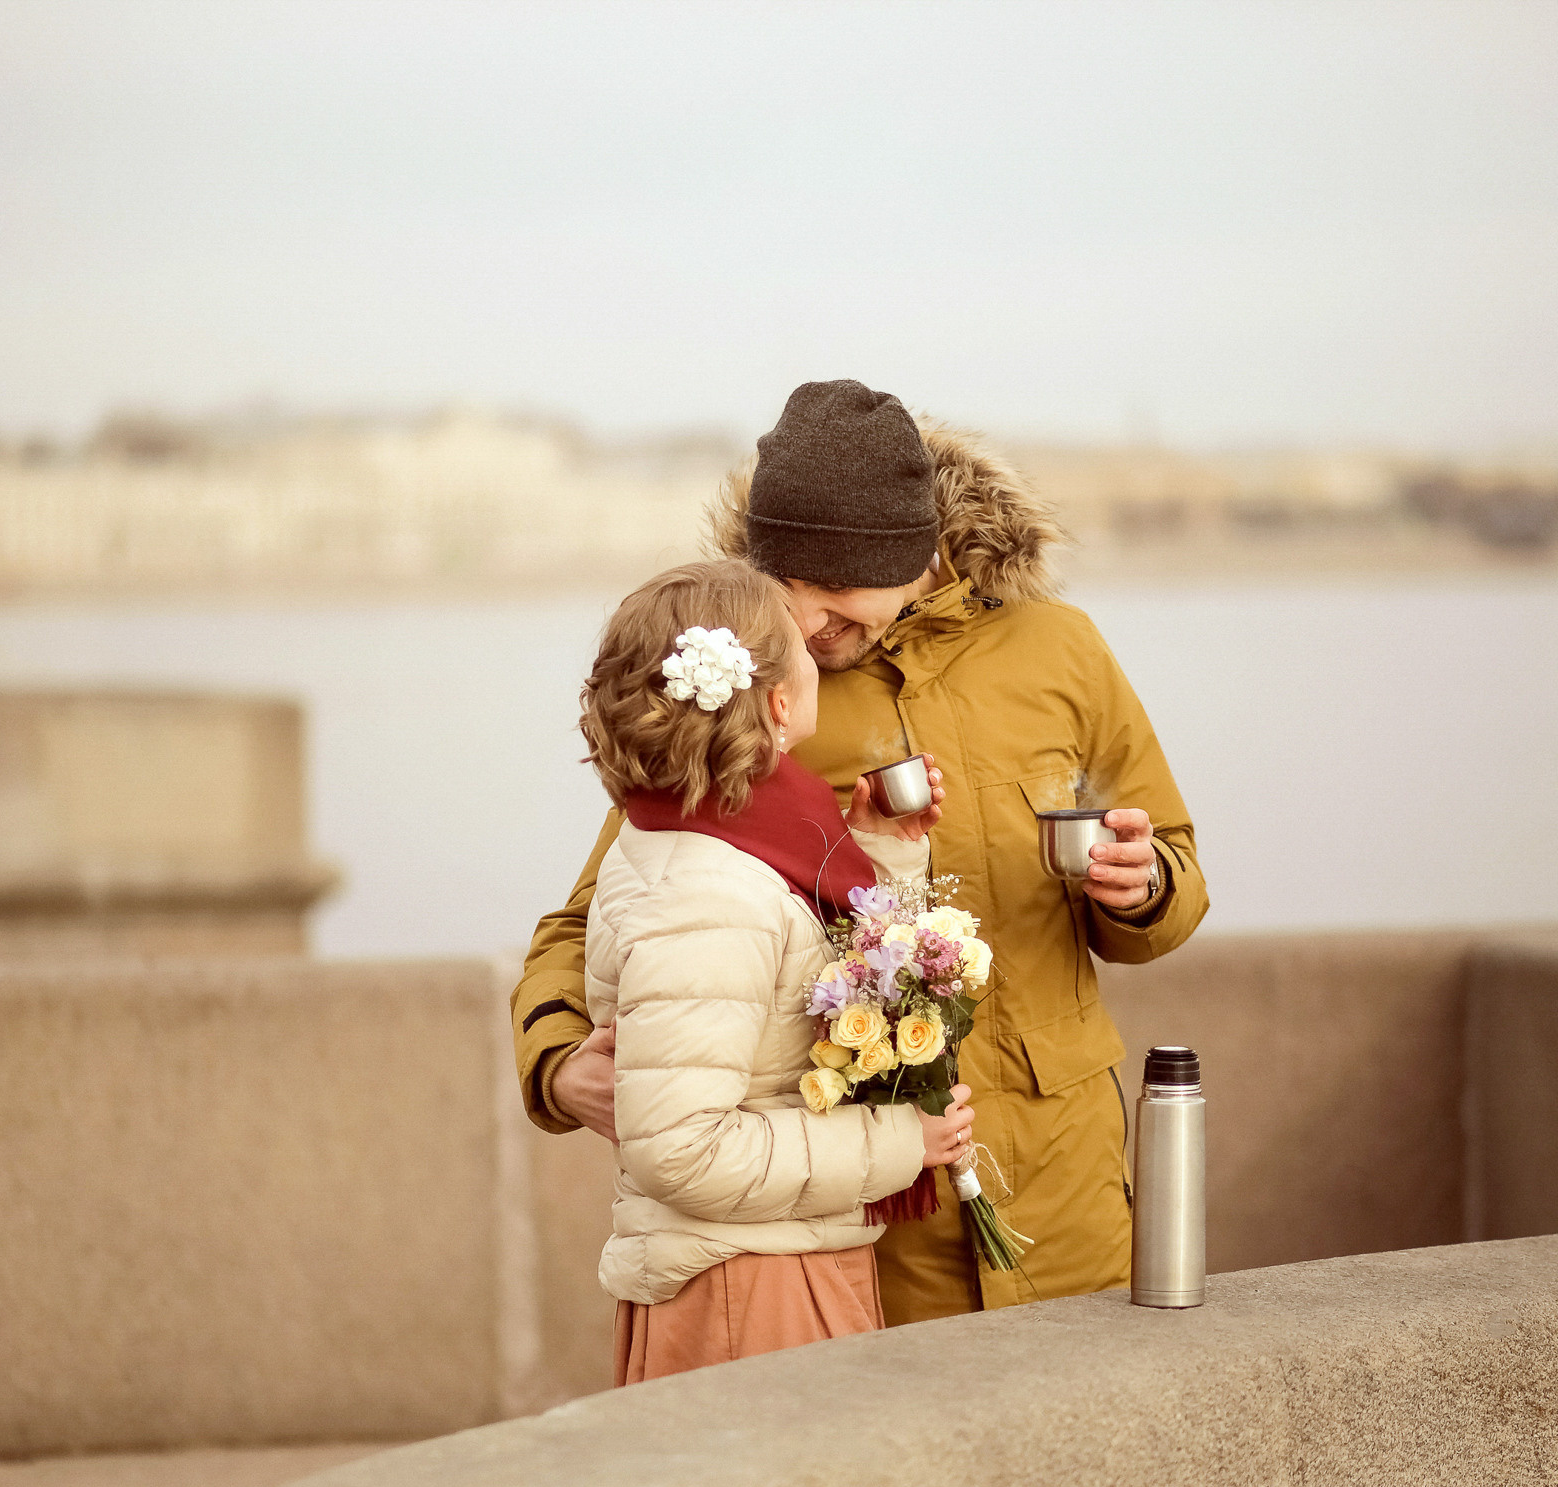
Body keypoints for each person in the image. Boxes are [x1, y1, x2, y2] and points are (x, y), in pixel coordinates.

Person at [517, 380, 1209, 1325]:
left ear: (911, 553)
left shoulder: (1064, 652)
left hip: (1068, 1179)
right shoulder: (752, 696)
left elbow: (1173, 872)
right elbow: (601, 909)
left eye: (834, 598)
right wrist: (559, 1065)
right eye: (787, 595)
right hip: (871, 1219)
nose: (807, 627)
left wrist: (1143, 887)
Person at [578, 558, 978, 1383]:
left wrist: (881, 853)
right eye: (800, 645)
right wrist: (903, 1139)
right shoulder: (708, 888)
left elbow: (779, 998)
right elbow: (685, 1151)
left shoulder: (726, 831)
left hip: (766, 1258)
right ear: (780, 703)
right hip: (747, 1289)